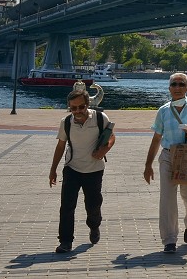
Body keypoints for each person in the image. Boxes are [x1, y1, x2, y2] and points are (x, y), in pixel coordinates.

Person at [143, 72, 187, 254]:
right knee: (167, 200)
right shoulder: (164, 111)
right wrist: (148, 164)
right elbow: (157, 137)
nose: (177, 87)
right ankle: (169, 240)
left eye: (181, 84)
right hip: (169, 156)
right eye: (174, 84)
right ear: (169, 88)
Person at [49, 87, 115, 253]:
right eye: (73, 108)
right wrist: (53, 169)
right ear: (69, 107)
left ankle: (94, 226)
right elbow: (60, 146)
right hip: (72, 168)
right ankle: (65, 241)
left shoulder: (100, 118)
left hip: (94, 170)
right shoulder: (66, 122)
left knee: (93, 204)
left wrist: (103, 151)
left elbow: (111, 136)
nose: (77, 111)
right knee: (67, 206)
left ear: (87, 105)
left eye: (81, 107)